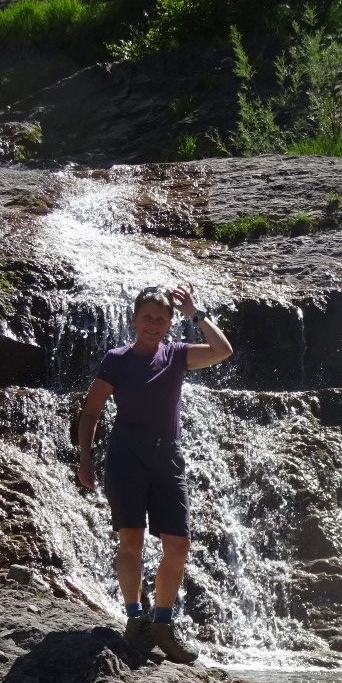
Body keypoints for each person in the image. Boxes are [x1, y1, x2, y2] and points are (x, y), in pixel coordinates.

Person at [76, 283, 233, 662]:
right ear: (134, 319)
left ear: (169, 323)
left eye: (161, 318)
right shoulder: (117, 358)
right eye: (146, 316)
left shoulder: (177, 354)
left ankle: (163, 622)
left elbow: (223, 350)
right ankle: (136, 618)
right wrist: (84, 458)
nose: (153, 323)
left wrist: (195, 313)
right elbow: (92, 411)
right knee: (131, 540)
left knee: (178, 544)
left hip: (168, 457)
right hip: (126, 455)